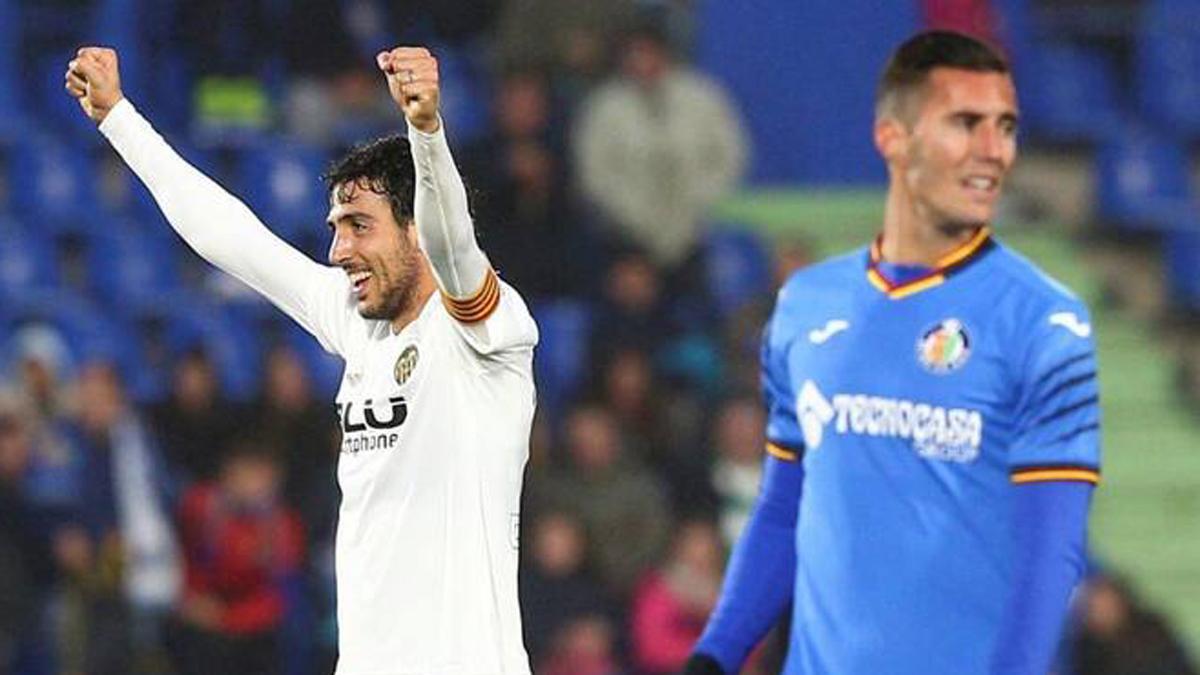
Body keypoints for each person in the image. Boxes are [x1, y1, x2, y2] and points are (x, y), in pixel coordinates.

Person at [66, 43, 539, 674]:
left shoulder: (486, 332)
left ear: (415, 228)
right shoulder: (356, 324)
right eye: (335, 227)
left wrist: (425, 132)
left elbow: (454, 245)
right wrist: (120, 119)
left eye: (359, 226)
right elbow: (235, 240)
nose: (338, 250)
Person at [687, 31, 1101, 674]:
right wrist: (715, 654)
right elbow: (782, 511)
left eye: (1007, 126)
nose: (994, 151)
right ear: (893, 138)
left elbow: (1051, 554)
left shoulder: (1043, 322)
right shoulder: (806, 305)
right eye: (966, 124)